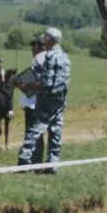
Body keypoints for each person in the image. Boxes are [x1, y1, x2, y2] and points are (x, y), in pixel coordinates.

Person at [17, 27, 71, 172]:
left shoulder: (50, 56)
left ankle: (24, 161)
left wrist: (25, 86)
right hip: (60, 100)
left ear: (49, 40)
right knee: (55, 133)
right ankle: (52, 165)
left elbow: (46, 82)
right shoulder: (65, 57)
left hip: (46, 100)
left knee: (34, 131)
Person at [18, 36, 47, 163]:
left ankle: (31, 162)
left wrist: (22, 85)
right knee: (38, 134)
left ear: (38, 46)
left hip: (33, 104)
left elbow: (38, 83)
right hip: (42, 103)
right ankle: (37, 160)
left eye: (33, 46)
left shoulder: (39, 59)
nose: (31, 49)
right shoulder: (50, 58)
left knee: (32, 134)